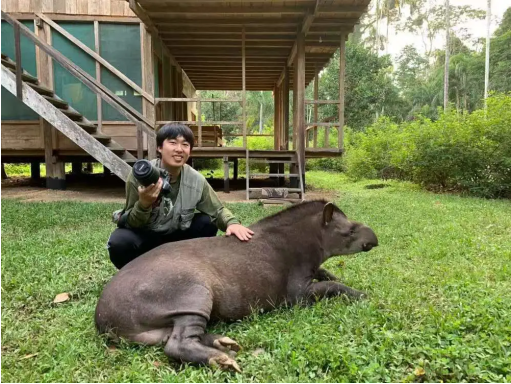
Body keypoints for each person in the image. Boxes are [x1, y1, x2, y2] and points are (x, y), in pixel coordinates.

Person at [107, 123, 254, 269]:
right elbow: (131, 222)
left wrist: (232, 223)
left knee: (206, 222)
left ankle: (186, 268)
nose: (179, 149)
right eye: (172, 143)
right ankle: (135, 274)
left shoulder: (196, 180)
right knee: (119, 242)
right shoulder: (140, 176)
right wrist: (144, 204)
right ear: (159, 147)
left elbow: (217, 210)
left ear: (190, 150)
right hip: (146, 237)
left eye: (185, 144)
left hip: (177, 239)